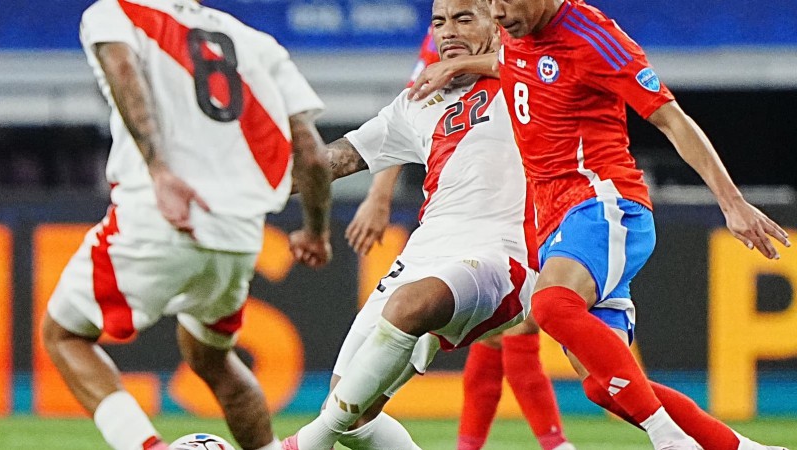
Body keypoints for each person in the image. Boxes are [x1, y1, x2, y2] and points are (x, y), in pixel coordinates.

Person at [408, 0, 791, 449]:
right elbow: (511, 61)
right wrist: (458, 67)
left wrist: (732, 202)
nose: (497, 13)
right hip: (551, 220)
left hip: (604, 203)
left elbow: (672, 118)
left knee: (550, 305)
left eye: (506, 2)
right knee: (600, 385)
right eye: (490, 2)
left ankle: (669, 440)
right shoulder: (517, 31)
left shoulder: (595, 38)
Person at [283, 1, 576, 449]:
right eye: (439, 22)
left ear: (499, 23)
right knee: (350, 413)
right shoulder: (418, 101)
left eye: (464, 19)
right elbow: (335, 160)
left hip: (504, 255)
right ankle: (322, 433)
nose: (448, 32)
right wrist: (248, 185)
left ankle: (304, 444)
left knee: (409, 306)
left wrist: (470, 63)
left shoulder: (531, 78)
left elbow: (552, 61)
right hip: (425, 252)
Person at [40, 1, 332, 450]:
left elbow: (121, 67)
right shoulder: (256, 42)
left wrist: (158, 169)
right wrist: (315, 230)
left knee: (63, 334)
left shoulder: (116, 13)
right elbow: (311, 151)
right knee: (212, 357)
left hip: (157, 213)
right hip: (238, 234)